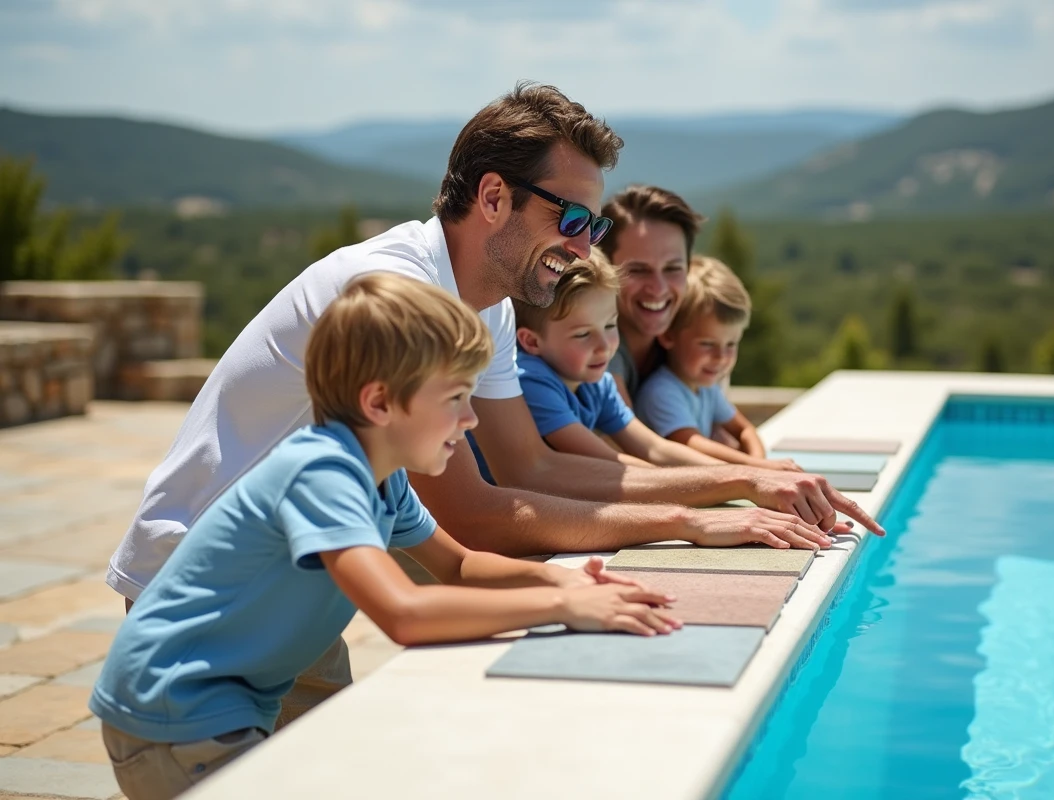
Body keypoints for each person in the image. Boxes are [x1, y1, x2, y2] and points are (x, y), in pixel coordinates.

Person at [109, 82, 882, 724]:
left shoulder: (491, 305)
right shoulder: (402, 296)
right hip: (207, 594)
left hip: (299, 574)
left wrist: (737, 485)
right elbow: (475, 515)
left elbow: (533, 463)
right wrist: (695, 519)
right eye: (571, 219)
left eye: (595, 224)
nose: (586, 246)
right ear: (491, 196)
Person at [90, 274, 680, 800]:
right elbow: (404, 613)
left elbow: (460, 567)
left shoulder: (383, 479)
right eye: (455, 399)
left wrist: (566, 578)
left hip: (214, 711)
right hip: (178, 717)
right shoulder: (321, 474)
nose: (472, 420)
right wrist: (562, 606)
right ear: (379, 402)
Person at [511, 250, 800, 479]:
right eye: (583, 334)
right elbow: (607, 460)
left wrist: (751, 474)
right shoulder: (532, 381)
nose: (605, 346)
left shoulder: (599, 384)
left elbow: (654, 448)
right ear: (532, 342)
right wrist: (735, 479)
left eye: (611, 325)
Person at [636, 256, 788, 468]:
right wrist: (757, 468)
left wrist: (758, 464)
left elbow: (745, 430)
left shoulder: (707, 388)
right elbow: (691, 443)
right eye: (707, 344)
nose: (721, 356)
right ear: (669, 335)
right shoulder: (661, 392)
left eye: (731, 344)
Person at [598, 185, 698, 408]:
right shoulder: (594, 347)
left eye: (673, 269)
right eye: (638, 270)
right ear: (603, 268)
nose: (658, 288)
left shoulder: (696, 336)